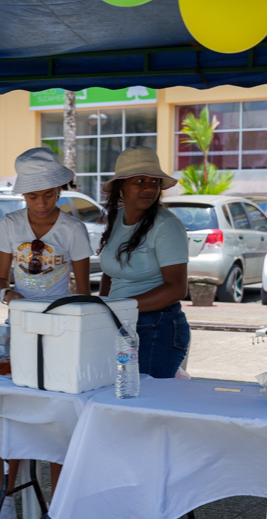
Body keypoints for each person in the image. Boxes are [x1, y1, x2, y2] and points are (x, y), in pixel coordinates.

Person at [0, 147, 93, 519]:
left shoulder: (73, 230)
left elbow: (84, 293)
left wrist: (70, 323)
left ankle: (59, 511)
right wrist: (9, 297)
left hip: (63, 331)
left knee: (58, 418)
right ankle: (4, 500)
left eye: (49, 195)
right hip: (19, 327)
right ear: (22, 196)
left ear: (60, 190)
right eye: (33, 196)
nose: (41, 203)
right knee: (16, 412)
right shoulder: (10, 225)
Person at [98, 146, 190, 378]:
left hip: (157, 327)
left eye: (154, 182)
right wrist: (103, 307)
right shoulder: (117, 218)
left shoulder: (166, 225)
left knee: (143, 404)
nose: (149, 188)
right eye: (139, 181)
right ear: (121, 187)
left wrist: (119, 307)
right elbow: (110, 272)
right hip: (121, 324)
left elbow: (176, 288)